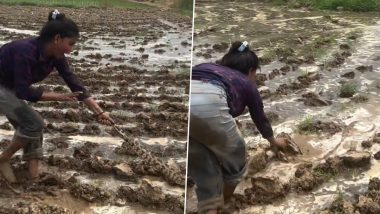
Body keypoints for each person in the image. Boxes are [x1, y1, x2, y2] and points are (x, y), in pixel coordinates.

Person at [0, 9, 114, 183]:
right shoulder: (24, 51)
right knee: (34, 124)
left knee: (32, 129)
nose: (71, 50)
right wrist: (59, 96)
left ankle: (33, 178)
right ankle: (3, 159)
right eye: (71, 44)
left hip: (10, 89)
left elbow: (73, 81)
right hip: (3, 89)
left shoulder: (56, 56)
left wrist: (99, 112)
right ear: (57, 39)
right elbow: (23, 91)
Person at [188, 41, 288, 214]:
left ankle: (209, 204)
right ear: (250, 71)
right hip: (211, 107)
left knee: (203, 166)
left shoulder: (205, 66)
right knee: (236, 158)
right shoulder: (246, 82)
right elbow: (259, 117)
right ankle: (223, 202)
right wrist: (273, 141)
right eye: (255, 73)